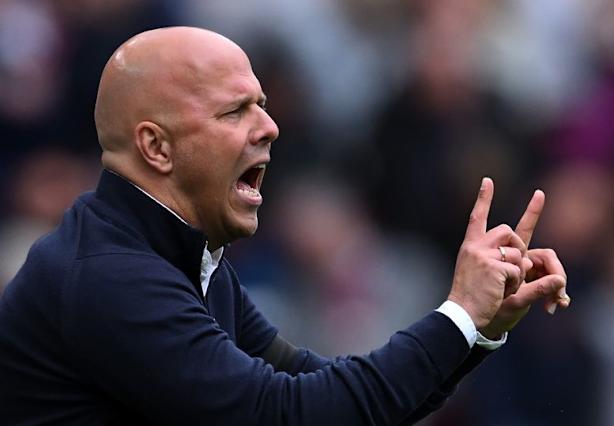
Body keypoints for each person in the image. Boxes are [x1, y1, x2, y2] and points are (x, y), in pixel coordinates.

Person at [0, 27, 570, 425]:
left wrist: (477, 326)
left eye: (262, 104)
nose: (270, 126)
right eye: (235, 111)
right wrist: (459, 315)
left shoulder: (180, 255)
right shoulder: (111, 277)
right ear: (156, 147)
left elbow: (327, 392)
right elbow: (289, 415)